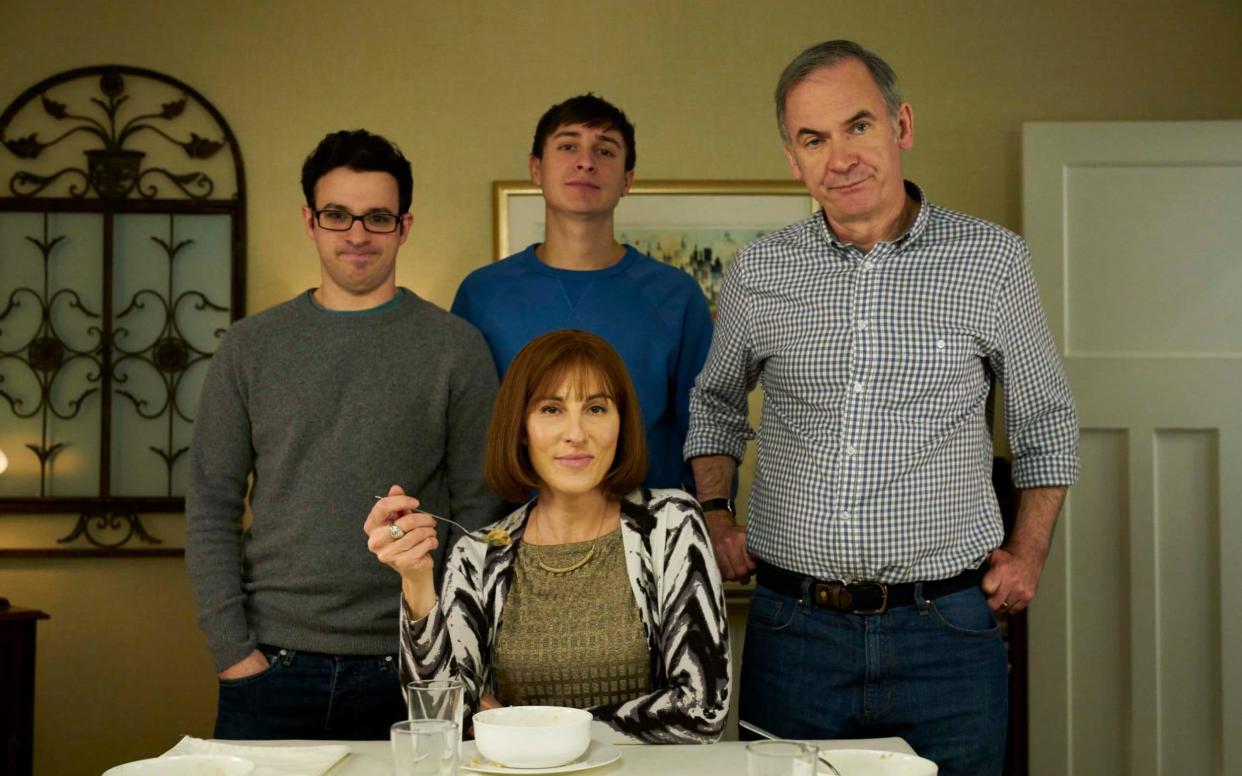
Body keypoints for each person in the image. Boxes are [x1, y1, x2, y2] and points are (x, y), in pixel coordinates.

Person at [684, 40, 1079, 774]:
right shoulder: (759, 271)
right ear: (792, 159)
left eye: (857, 126)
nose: (840, 157)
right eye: (814, 138)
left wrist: (1029, 551)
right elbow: (713, 406)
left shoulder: (992, 261)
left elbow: (1047, 425)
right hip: (793, 628)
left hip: (948, 633)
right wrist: (714, 513)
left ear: (901, 126)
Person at [185, 129, 503, 740]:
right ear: (311, 220)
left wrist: (466, 655)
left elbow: (481, 518)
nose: (357, 234)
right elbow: (211, 506)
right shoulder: (251, 348)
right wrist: (232, 652)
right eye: (338, 215)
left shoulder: (455, 348)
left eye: (377, 218)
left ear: (404, 226)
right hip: (272, 665)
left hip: (416, 664)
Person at [366, 329, 730, 743]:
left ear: (620, 424)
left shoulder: (670, 524)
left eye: (596, 408)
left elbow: (700, 710)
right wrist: (415, 579)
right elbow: (442, 721)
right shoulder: (479, 553)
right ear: (521, 427)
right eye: (551, 410)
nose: (576, 432)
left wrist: (530, 727)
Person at [451, 94, 713, 490]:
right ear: (536, 169)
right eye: (568, 146)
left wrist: (708, 517)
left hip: (648, 534)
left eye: (605, 151)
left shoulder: (675, 296)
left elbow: (705, 429)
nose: (586, 161)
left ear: (627, 179)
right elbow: (466, 435)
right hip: (514, 534)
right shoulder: (482, 293)